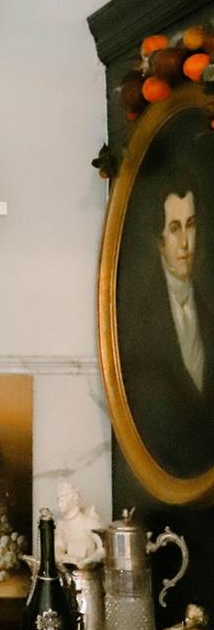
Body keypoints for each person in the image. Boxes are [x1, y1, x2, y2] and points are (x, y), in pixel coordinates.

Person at [120, 173, 214, 478]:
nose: (185, 243)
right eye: (175, 228)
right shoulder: (141, 318)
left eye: (191, 225)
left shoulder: (207, 310)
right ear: (160, 241)